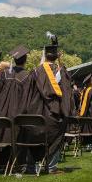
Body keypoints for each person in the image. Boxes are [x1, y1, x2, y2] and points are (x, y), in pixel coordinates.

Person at [22, 40, 73, 173]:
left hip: (36, 112)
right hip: (53, 114)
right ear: (57, 56)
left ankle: (31, 166)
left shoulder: (35, 71)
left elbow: (27, 93)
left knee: (34, 135)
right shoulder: (61, 71)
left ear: (45, 55)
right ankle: (51, 167)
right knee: (57, 136)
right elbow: (67, 92)